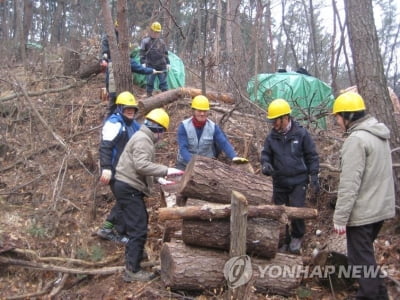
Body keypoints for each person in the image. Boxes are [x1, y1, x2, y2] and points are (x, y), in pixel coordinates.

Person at [332, 91, 395, 299]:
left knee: (359, 262)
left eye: (338, 117)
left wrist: (340, 217)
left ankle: (369, 295)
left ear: (348, 116)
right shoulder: (378, 135)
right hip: (380, 209)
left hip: (363, 212)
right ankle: (380, 294)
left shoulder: (356, 140)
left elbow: (349, 183)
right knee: (365, 258)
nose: (337, 122)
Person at [113, 108, 184, 282]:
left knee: (136, 224)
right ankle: (132, 270)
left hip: (127, 186)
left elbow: (142, 167)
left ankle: (133, 261)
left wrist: (160, 179)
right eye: (163, 132)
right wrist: (167, 170)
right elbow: (141, 166)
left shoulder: (142, 137)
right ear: (158, 129)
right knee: (138, 227)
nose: (162, 136)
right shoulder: (143, 140)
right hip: (128, 187)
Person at [260, 98, 319, 254]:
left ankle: (297, 237)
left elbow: (311, 156)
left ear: (285, 117)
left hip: (299, 181)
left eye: (276, 121)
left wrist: (314, 175)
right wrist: (266, 164)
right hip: (279, 182)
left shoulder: (301, 134)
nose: (274, 124)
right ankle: (284, 238)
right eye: (272, 121)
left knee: (297, 209)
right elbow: (265, 155)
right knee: (281, 211)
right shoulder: (271, 137)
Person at [97, 91, 141, 244]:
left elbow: (144, 135)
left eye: (133, 109)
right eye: (127, 108)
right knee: (126, 200)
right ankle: (117, 231)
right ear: (120, 108)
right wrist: (106, 167)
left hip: (126, 171)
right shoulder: (114, 123)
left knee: (124, 200)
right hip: (114, 170)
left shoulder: (133, 124)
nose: (130, 111)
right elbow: (105, 146)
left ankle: (108, 228)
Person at [176, 95, 248, 170]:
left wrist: (234, 157)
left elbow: (224, 143)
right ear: (193, 111)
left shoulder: (213, 127)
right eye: (199, 111)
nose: (202, 114)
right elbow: (183, 148)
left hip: (205, 165)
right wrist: (193, 163)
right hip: (185, 164)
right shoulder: (184, 126)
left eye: (204, 111)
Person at [140, 21, 170, 97]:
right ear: (151, 31)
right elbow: (142, 53)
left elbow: (165, 54)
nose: (155, 33)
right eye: (154, 31)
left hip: (161, 65)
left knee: (163, 83)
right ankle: (149, 95)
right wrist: (142, 62)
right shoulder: (145, 41)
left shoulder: (162, 42)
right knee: (149, 82)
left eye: (157, 32)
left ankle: (165, 96)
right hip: (150, 65)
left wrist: (168, 63)